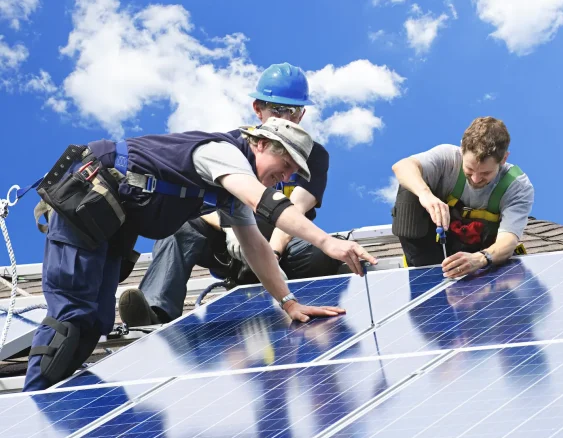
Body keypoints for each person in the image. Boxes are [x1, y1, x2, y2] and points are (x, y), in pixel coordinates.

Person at [23, 115, 375, 392]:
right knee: (73, 316)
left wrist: (289, 303)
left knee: (97, 321)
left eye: (290, 176)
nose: (282, 179)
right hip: (86, 199)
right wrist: (328, 242)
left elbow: (255, 246)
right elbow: (263, 202)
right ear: (263, 144)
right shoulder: (222, 154)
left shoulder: (230, 193)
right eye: (283, 168)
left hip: (109, 223)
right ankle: (33, 406)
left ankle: (53, 403)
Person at [119, 63, 339, 327]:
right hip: (231, 243)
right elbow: (204, 199)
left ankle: (304, 300)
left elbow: (296, 208)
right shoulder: (233, 146)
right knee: (180, 228)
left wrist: (273, 252)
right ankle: (155, 312)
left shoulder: (311, 156)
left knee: (321, 250)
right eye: (277, 109)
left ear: (301, 115)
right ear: (258, 110)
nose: (285, 117)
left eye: (292, 111)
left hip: (279, 246)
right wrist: (229, 229)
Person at [391, 116, 534, 278]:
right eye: (469, 169)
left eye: (485, 173)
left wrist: (481, 258)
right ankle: (424, 272)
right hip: (433, 255)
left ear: (504, 159)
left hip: (482, 260)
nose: (475, 179)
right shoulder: (447, 158)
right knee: (409, 188)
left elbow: (508, 239)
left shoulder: (516, 186)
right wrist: (425, 195)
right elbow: (402, 166)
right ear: (462, 149)